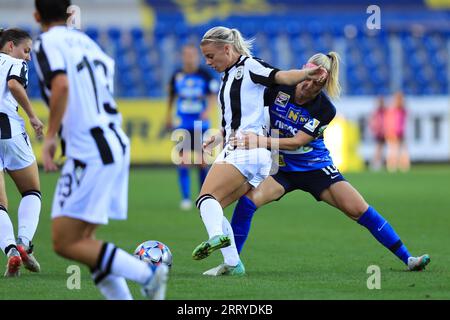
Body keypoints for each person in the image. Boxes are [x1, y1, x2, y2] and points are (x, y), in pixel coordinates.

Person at [211, 52, 430, 276]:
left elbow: (298, 142)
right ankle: (233, 263)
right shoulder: (279, 88)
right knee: (247, 203)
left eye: (315, 85)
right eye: (306, 79)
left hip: (316, 168)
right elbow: (250, 117)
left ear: (323, 84)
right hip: (282, 170)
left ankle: (408, 258)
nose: (307, 87)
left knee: (358, 210)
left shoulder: (325, 109)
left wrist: (260, 141)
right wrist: (221, 134)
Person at [32, 0, 168, 299]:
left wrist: (51, 135)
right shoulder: (88, 43)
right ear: (70, 13)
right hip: (111, 141)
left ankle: (148, 273)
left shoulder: (47, 43)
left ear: (36, 15)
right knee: (84, 241)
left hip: (89, 149)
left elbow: (62, 85)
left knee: (65, 242)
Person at [192, 26, 327, 275]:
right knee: (214, 207)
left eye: (211, 56)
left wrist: (307, 73)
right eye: (205, 58)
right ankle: (233, 265)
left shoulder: (250, 66)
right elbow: (235, 119)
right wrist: (217, 135)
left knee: (204, 200)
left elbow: (282, 77)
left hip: (247, 149)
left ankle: (216, 239)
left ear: (227, 49)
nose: (208, 62)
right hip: (247, 151)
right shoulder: (227, 77)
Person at [0, 28, 44, 277]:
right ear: (9, 46)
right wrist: (33, 116)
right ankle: (24, 243)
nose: (27, 57)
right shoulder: (13, 62)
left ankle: (11, 252)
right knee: (31, 191)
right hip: (9, 130)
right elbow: (14, 84)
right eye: (26, 50)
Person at [166, 44, 218, 210]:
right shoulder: (176, 75)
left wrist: (208, 111)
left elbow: (212, 95)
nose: (189, 58)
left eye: (192, 55)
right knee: (183, 160)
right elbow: (171, 97)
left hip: (201, 124)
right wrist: (168, 115)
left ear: (196, 57)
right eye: (186, 55)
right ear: (182, 56)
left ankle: (203, 195)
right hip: (183, 124)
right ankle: (186, 198)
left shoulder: (205, 74)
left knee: (202, 161)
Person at [385, 91, 410, 172]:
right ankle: (392, 166)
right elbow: (390, 121)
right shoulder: (393, 110)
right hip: (393, 131)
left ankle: (403, 166)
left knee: (402, 150)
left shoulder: (402, 109)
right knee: (394, 150)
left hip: (400, 131)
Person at [369, 96, 386, 171]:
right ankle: (375, 163)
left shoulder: (383, 112)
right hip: (380, 133)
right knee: (379, 149)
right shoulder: (378, 112)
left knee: (380, 149)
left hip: (382, 132)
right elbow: (374, 122)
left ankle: (378, 163)